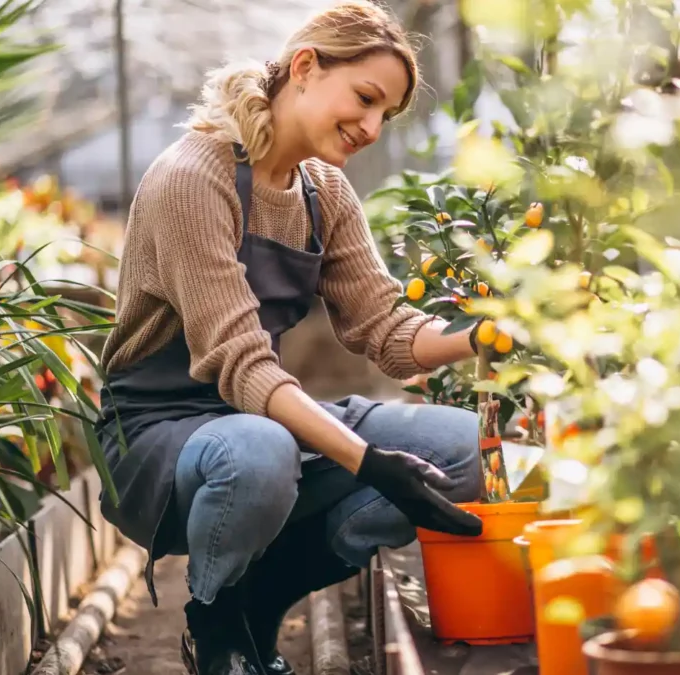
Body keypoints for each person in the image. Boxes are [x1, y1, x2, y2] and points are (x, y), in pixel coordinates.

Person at [93, 2, 490, 674]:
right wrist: (370, 462)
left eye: (384, 115)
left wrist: (486, 336)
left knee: (462, 451)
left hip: (261, 418)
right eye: (364, 99)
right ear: (304, 67)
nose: (370, 127)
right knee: (259, 451)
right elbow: (245, 366)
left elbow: (387, 330)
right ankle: (215, 621)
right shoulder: (194, 178)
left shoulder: (322, 191)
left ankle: (265, 596)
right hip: (161, 431)